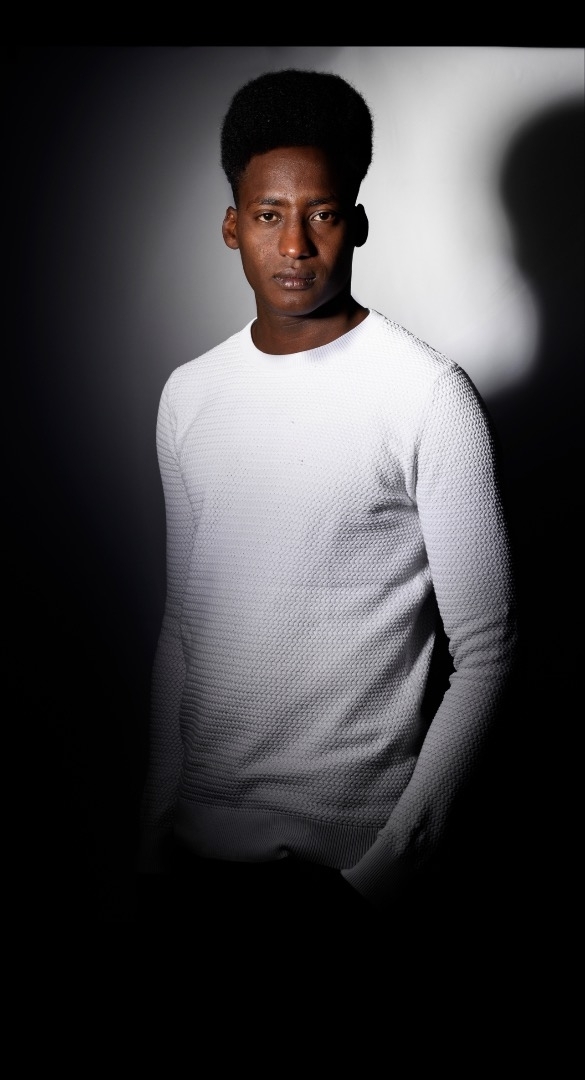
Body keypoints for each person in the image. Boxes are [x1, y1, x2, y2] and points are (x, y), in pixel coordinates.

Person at [136, 69, 517, 941]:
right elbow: (182, 628)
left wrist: (384, 874)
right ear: (232, 227)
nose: (295, 245)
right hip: (195, 865)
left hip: (345, 878)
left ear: (358, 224)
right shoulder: (188, 396)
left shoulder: (427, 394)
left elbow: (488, 654)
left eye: (323, 214)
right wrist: (151, 841)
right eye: (268, 214)